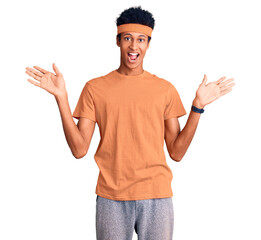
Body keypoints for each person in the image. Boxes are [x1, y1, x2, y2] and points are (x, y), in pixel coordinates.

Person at [25, 5, 235, 240]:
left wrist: (197, 107)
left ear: (148, 44)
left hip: (157, 195)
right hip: (111, 197)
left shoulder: (165, 90)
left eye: (141, 40)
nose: (134, 47)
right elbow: (79, 149)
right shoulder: (95, 88)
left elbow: (176, 152)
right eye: (128, 38)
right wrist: (62, 98)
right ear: (118, 41)